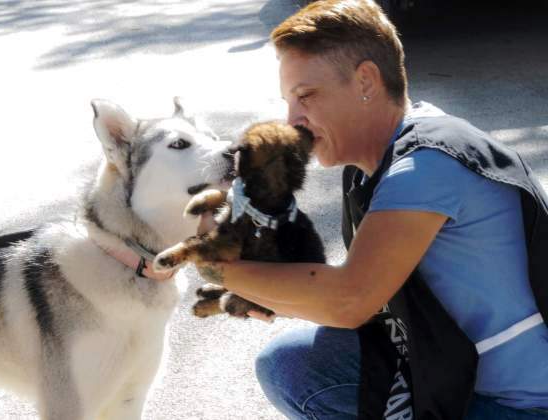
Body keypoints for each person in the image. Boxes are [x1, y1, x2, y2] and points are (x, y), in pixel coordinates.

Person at [191, 0, 548, 419]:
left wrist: (210, 262)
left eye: (306, 97)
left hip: (521, 404)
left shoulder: (426, 166)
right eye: (290, 102)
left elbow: (350, 300)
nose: (293, 121)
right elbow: (372, 298)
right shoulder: (375, 166)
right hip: (452, 371)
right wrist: (260, 291)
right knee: (293, 364)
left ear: (365, 81)